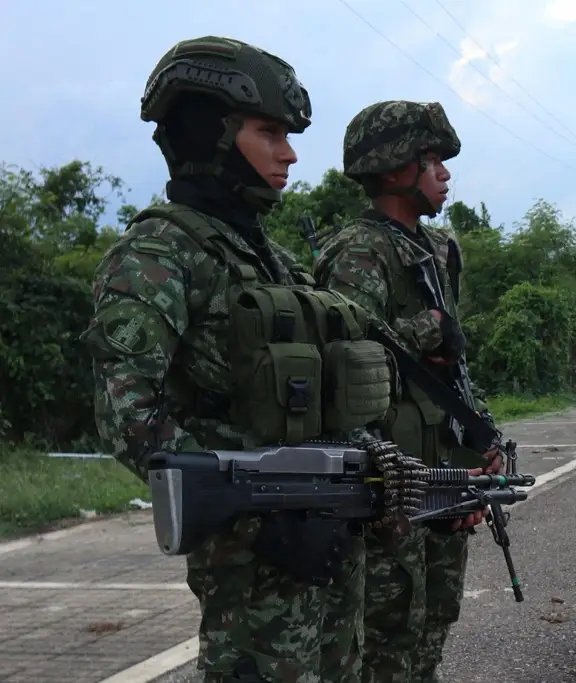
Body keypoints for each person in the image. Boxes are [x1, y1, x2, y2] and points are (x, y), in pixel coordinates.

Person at [80, 36, 388, 683]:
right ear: (212, 134)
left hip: (325, 544)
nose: (290, 153)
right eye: (269, 132)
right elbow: (126, 412)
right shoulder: (161, 252)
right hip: (254, 565)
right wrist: (258, 513)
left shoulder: (270, 259)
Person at [313, 100, 502, 683]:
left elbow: (449, 369)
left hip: (441, 467)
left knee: (435, 620)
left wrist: (479, 435)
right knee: (388, 631)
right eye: (432, 160)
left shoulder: (438, 250)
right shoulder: (359, 253)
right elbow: (343, 365)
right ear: (395, 169)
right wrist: (422, 332)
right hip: (392, 478)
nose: (444, 173)